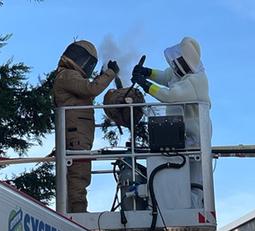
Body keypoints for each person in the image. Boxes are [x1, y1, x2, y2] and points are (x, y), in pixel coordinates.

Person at [132, 37, 211, 208]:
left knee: (196, 176)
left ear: (185, 61)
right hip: (185, 134)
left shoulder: (195, 81)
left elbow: (171, 96)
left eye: (178, 62)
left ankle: (195, 206)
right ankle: (178, 201)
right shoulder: (182, 74)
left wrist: (145, 85)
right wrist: (147, 72)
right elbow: (166, 76)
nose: (174, 66)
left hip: (197, 136)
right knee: (179, 171)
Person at [53, 40, 119, 213]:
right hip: (76, 136)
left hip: (77, 134)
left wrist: (104, 74)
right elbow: (91, 89)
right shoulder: (67, 75)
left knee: (78, 176)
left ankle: (75, 211)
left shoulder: (66, 75)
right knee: (79, 176)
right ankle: (78, 213)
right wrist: (110, 73)